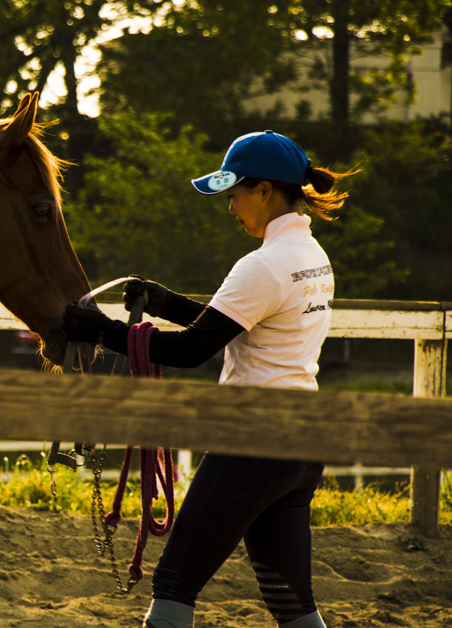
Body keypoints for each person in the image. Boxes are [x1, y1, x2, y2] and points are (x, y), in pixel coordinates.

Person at [61, 130, 356, 628]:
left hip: (251, 442)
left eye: (235, 192)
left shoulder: (262, 265)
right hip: (303, 443)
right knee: (293, 603)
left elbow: (192, 350)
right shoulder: (311, 259)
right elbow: (240, 324)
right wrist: (167, 301)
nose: (230, 206)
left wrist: (102, 331)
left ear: (265, 190)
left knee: (174, 586)